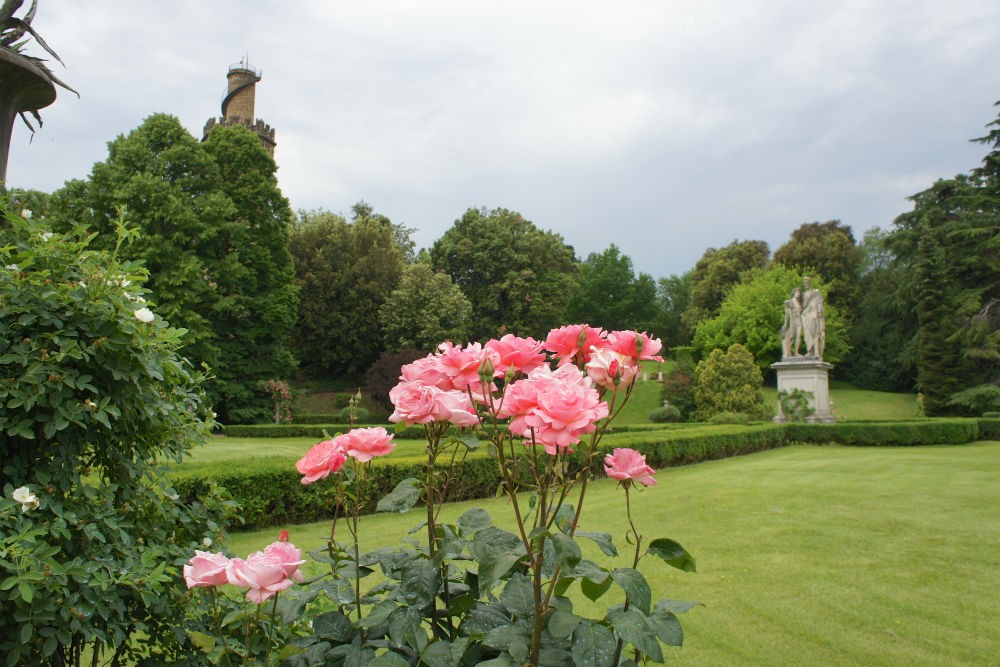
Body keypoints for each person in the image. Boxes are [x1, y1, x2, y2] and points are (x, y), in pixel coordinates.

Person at [800, 276, 825, 358]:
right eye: (805, 283)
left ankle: (817, 352)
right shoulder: (803, 294)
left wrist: (819, 310)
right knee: (807, 333)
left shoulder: (815, 292)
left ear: (810, 283)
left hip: (813, 313)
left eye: (807, 282)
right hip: (805, 314)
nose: (806, 284)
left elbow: (820, 301)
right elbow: (801, 305)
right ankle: (810, 351)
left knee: (815, 332)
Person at [781, 288, 802, 358]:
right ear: (794, 293)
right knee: (791, 337)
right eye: (797, 292)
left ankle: (796, 352)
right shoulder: (790, 302)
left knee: (798, 336)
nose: (798, 294)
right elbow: (787, 314)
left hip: (799, 321)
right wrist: (785, 324)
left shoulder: (799, 302)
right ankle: (787, 351)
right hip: (793, 321)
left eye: (799, 292)